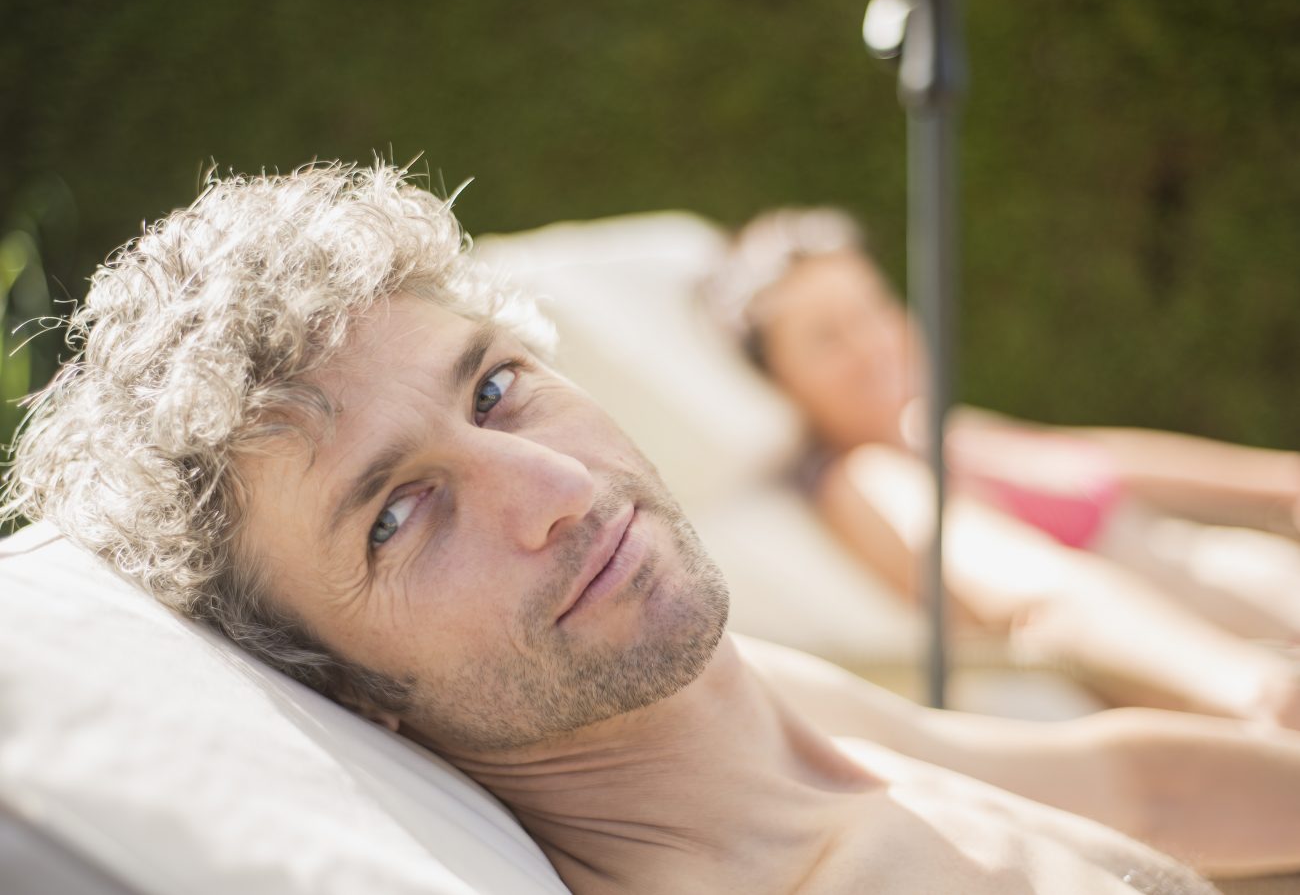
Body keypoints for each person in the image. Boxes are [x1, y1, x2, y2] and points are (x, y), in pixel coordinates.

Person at [4, 163, 1299, 892]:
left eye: (496, 386)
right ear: (344, 687)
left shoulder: (737, 711)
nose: (551, 490)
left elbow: (1130, 786)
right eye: (399, 513)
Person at [704, 207, 1300, 731]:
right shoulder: (872, 481)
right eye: (826, 338)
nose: (873, 342)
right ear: (782, 385)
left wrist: (1279, 480)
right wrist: (1253, 686)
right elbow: (1045, 598)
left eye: (873, 306)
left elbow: (1100, 463)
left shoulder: (933, 433)